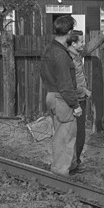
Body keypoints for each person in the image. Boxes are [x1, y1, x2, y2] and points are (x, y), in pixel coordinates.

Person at [40, 15, 82, 176]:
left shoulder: (48, 49)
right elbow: (65, 85)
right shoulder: (61, 55)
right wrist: (75, 105)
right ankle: (59, 175)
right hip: (62, 98)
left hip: (51, 95)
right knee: (64, 137)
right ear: (70, 32)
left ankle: (69, 167)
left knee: (60, 133)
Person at [67, 31, 91, 170]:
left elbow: (89, 47)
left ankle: (74, 162)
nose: (84, 44)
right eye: (81, 41)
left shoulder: (77, 54)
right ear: (74, 43)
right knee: (77, 133)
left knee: (79, 133)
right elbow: (68, 83)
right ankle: (72, 164)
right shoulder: (68, 59)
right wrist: (84, 91)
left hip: (80, 98)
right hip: (75, 99)